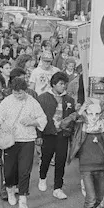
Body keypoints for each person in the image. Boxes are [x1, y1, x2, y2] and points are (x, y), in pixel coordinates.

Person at [0, 77, 47, 208]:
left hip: (27, 139)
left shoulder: (32, 102)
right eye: (15, 93)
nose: (18, 96)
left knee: (25, 170)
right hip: (10, 139)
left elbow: (43, 119)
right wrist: (1, 124)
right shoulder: (7, 101)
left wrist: (32, 121)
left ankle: (23, 200)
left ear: (25, 90)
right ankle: (10, 189)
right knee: (9, 170)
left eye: (20, 93)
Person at [66, 98, 104, 208]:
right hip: (86, 167)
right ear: (86, 113)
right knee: (91, 198)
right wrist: (78, 112)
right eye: (90, 113)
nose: (94, 117)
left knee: (99, 197)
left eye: (97, 114)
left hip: (102, 165)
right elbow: (63, 125)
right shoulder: (81, 125)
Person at [36, 72, 77, 200]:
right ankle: (42, 177)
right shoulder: (43, 98)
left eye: (65, 84)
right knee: (46, 158)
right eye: (60, 84)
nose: (63, 86)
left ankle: (58, 187)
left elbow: (72, 117)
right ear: (53, 84)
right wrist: (39, 135)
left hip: (62, 134)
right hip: (48, 133)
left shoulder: (69, 100)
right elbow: (38, 117)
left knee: (61, 161)